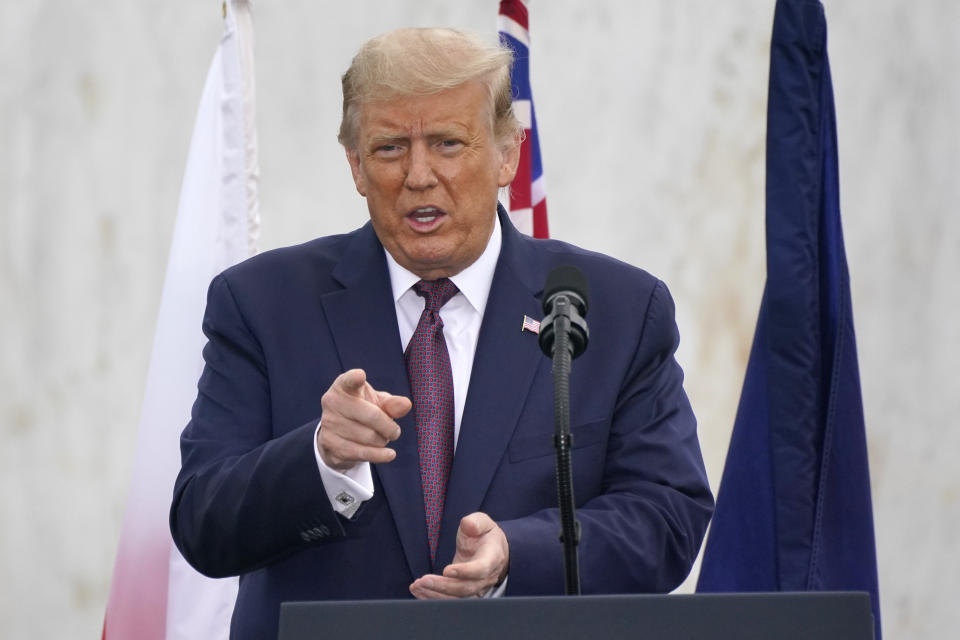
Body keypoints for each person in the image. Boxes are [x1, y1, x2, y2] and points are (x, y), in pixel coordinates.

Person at [170, 27, 713, 640]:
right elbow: (201, 522)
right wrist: (321, 457)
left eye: (449, 143)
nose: (419, 175)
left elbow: (668, 516)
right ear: (355, 165)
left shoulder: (614, 309)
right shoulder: (263, 304)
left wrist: (518, 553)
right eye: (390, 148)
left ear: (508, 154)